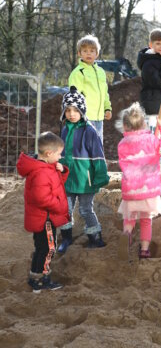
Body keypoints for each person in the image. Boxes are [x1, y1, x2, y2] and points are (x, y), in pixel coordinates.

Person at [117, 103, 161, 258]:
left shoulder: (122, 145)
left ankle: (127, 234)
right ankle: (144, 250)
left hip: (131, 190)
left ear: (124, 126)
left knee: (129, 218)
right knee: (146, 220)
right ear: (144, 123)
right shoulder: (151, 141)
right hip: (148, 191)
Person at [58, 86, 110, 252]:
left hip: (85, 179)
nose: (71, 114)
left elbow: (98, 156)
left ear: (82, 110)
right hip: (67, 178)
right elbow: (61, 152)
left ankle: (96, 238)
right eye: (68, 110)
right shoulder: (65, 129)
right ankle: (66, 239)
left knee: (85, 209)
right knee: (65, 209)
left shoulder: (90, 131)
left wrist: (100, 176)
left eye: (75, 110)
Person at [16, 132, 70, 292]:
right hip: (45, 220)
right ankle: (41, 280)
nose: (60, 157)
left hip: (44, 218)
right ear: (49, 153)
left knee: (42, 248)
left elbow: (56, 185)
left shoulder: (46, 167)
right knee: (48, 249)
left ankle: (35, 275)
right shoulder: (41, 172)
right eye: (59, 154)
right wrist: (61, 207)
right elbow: (43, 198)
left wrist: (62, 171)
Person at [68, 34, 112, 142]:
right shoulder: (77, 73)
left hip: (99, 118)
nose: (88, 53)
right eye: (85, 51)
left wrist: (107, 108)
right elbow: (74, 96)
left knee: (97, 146)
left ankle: (97, 160)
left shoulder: (101, 72)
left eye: (92, 51)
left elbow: (104, 93)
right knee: (86, 147)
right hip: (85, 118)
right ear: (79, 53)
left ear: (96, 54)